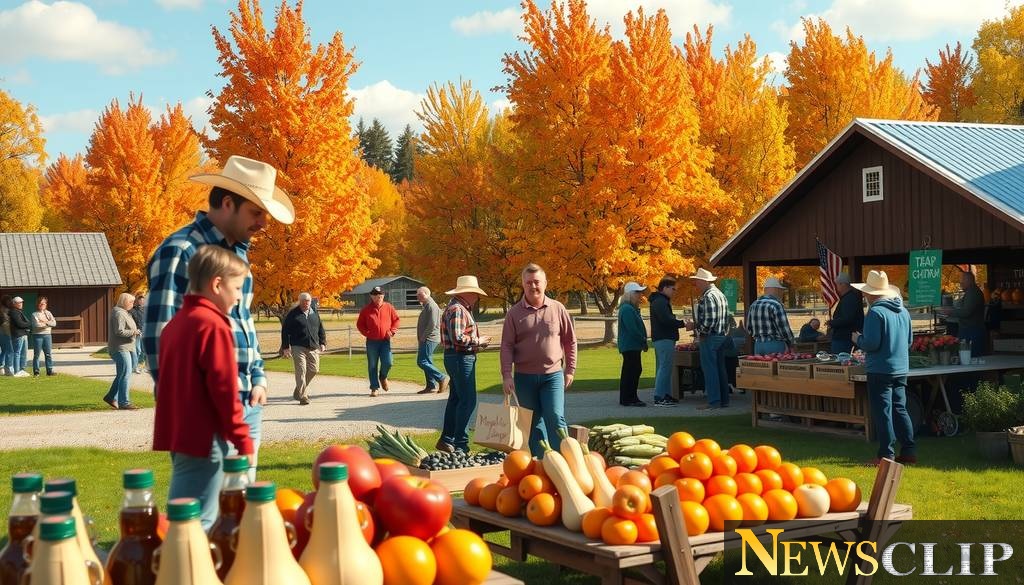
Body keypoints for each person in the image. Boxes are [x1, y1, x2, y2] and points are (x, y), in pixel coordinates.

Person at [145, 155, 294, 480]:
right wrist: (182, 404)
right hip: (201, 411)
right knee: (200, 513)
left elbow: (244, 326)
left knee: (241, 512)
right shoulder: (181, 250)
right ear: (228, 203)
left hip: (247, 401)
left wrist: (258, 378)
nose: (264, 224)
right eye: (256, 213)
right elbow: (160, 337)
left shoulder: (238, 253)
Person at [154, 245, 254, 530]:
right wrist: (242, 438)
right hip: (204, 438)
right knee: (197, 524)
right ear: (217, 284)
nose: (238, 296)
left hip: (182, 435)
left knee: (184, 517)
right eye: (237, 287)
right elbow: (224, 390)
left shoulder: (176, 324)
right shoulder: (212, 325)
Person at [501, 264, 578, 457]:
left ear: (545, 283)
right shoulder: (514, 313)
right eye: (528, 282)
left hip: (552, 376)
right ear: (523, 284)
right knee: (532, 422)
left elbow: (570, 341)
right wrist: (506, 375)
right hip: (524, 377)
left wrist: (570, 369)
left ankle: (566, 461)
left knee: (555, 416)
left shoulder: (558, 308)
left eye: (537, 282)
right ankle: (542, 463)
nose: (533, 286)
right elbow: (507, 346)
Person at [851, 270, 916, 466]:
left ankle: (886, 455)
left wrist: (857, 339)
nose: (864, 295)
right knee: (900, 408)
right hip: (900, 367)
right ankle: (909, 451)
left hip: (880, 368)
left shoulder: (876, 312)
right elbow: (910, 341)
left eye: (866, 292)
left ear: (872, 294)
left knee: (883, 411)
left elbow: (871, 343)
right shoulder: (903, 311)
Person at [437, 276, 492, 453]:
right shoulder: (458, 309)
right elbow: (458, 338)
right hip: (460, 358)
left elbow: (457, 337)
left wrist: (476, 342)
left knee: (456, 399)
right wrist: (478, 340)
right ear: (466, 293)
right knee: (468, 401)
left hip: (456, 357)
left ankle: (447, 439)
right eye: (475, 293)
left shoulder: (455, 307)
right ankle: (461, 443)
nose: (477, 297)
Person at [684, 268, 731, 410]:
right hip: (721, 335)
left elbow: (709, 321)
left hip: (710, 337)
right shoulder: (720, 294)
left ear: (704, 281)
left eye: (697, 281)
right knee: (720, 369)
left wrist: (698, 330)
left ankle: (714, 401)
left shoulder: (708, 297)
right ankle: (723, 400)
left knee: (710, 370)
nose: (696, 283)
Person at [281, 292, 327, 405]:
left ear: (311, 302)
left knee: (314, 369)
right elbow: (285, 331)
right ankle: (303, 396)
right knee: (301, 370)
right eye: (303, 301)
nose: (306, 303)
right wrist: (286, 347)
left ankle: (298, 390)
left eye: (308, 301)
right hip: (298, 346)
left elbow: (320, 328)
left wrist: (322, 342)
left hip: (313, 346)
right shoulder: (293, 314)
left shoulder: (314, 312)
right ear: (299, 302)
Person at [648, 277, 686, 407]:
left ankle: (665, 394)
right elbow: (666, 320)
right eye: (673, 289)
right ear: (665, 288)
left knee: (664, 367)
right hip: (664, 338)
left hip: (663, 338)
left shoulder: (660, 301)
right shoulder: (660, 302)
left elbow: (667, 319)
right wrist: (683, 323)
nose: (674, 292)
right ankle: (659, 397)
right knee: (664, 367)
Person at [357, 286, 400, 397]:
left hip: (385, 341)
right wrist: (367, 333)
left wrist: (392, 331)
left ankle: (383, 376)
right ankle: (374, 388)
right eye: (376, 295)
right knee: (372, 365)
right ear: (371, 296)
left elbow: (396, 320)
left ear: (383, 296)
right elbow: (360, 324)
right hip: (372, 342)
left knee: (388, 362)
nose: (378, 297)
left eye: (380, 295)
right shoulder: (366, 309)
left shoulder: (389, 307)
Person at [105, 293, 141, 410]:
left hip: (126, 347)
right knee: (126, 374)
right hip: (120, 348)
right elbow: (119, 331)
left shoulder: (124, 312)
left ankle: (111, 397)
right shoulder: (119, 313)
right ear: (124, 301)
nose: (132, 304)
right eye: (130, 302)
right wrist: (134, 332)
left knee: (122, 374)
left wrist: (135, 331)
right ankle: (124, 402)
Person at [939, 270, 986, 357]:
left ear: (969, 280)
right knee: (967, 355)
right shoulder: (971, 292)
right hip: (969, 329)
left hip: (972, 330)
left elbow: (966, 312)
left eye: (962, 280)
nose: (961, 283)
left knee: (970, 356)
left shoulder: (972, 293)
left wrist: (950, 312)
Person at [617, 282, 648, 407]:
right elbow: (633, 329)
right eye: (637, 292)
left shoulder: (630, 308)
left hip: (631, 345)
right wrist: (643, 341)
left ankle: (628, 397)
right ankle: (630, 398)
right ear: (630, 294)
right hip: (631, 345)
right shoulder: (627, 309)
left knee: (631, 370)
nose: (640, 295)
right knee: (632, 370)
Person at [747, 277, 795, 355]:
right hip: (775, 345)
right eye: (781, 291)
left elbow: (749, 328)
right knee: (776, 366)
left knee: (761, 367)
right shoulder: (776, 305)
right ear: (777, 290)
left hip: (758, 345)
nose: (782, 293)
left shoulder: (754, 304)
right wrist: (791, 343)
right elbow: (784, 329)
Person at [415, 287, 449, 395]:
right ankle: (431, 386)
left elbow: (433, 324)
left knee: (422, 362)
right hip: (427, 338)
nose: (417, 296)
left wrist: (423, 337)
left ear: (426, 294)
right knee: (427, 361)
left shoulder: (431, 305)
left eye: (419, 294)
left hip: (430, 338)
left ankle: (442, 377)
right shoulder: (426, 306)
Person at [828, 272, 864, 354]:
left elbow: (847, 319)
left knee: (841, 362)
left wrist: (832, 323)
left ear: (843, 284)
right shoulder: (849, 297)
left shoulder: (849, 299)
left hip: (845, 339)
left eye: (837, 284)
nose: (836, 287)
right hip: (847, 337)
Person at [31, 296, 57, 376]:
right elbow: (36, 325)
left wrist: (44, 322)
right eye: (41, 303)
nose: (42, 304)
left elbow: (54, 324)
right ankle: (36, 371)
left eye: (44, 303)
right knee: (37, 354)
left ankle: (49, 371)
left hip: (47, 335)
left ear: (46, 304)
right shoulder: (34, 314)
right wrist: (48, 323)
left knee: (48, 354)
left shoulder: (48, 313)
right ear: (38, 304)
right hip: (37, 336)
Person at [7, 297, 31, 377]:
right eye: (19, 302)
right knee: (17, 353)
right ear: (14, 303)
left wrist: (27, 324)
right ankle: (17, 371)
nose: (21, 304)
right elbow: (20, 324)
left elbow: (22, 323)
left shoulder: (18, 311)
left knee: (24, 353)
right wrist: (29, 323)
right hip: (18, 335)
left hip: (23, 335)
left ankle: (22, 370)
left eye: (21, 302)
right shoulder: (13, 312)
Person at [129, 293, 146, 373]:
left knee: (145, 350)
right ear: (137, 301)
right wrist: (136, 331)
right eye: (140, 300)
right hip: (137, 333)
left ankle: (144, 366)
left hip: (145, 333)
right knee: (137, 350)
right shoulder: (133, 310)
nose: (142, 302)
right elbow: (130, 322)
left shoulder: (147, 310)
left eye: (143, 300)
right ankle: (135, 367)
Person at [0, 295, 10, 376]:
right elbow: (5, 323)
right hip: (4, 332)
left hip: (3, 331)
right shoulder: (4, 310)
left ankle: (2, 367)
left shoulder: (4, 309)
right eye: (9, 301)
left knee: (4, 350)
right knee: (6, 350)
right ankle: (2, 367)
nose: (10, 302)